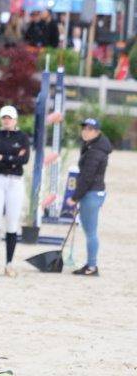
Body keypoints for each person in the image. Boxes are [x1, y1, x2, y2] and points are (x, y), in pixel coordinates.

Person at [0, 105, 30, 274]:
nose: (6, 121)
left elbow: (24, 159)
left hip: (15, 181)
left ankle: (9, 263)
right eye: (4, 118)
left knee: (12, 222)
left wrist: (3, 158)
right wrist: (12, 159)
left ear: (15, 120)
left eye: (9, 118)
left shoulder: (23, 137)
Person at [64, 118, 111, 276]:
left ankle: (92, 267)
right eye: (84, 128)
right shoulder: (90, 146)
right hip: (91, 192)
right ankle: (90, 264)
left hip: (91, 193)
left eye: (90, 129)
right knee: (89, 230)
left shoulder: (95, 151)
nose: (85, 131)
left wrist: (75, 198)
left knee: (91, 232)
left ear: (97, 132)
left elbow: (87, 177)